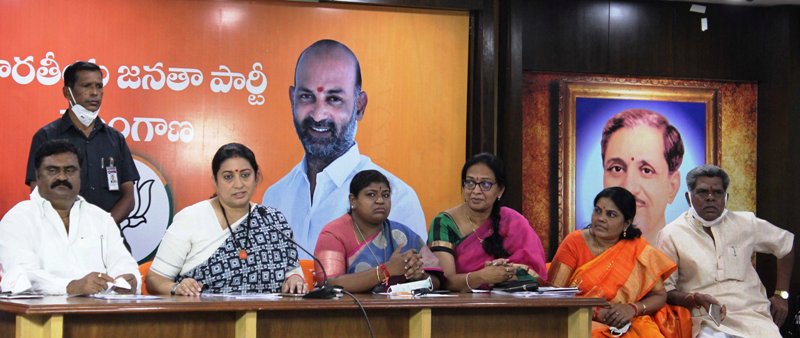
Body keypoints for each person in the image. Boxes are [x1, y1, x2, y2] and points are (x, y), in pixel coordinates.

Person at [263, 39, 426, 259]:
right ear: (292, 99)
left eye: (334, 99)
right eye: (307, 97)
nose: (318, 115)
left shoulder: (398, 199)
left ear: (360, 105)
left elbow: (413, 279)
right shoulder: (274, 197)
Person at [146, 143, 306, 295]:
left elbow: (292, 271)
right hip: (208, 313)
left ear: (256, 177)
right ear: (215, 181)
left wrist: (294, 279)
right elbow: (155, 280)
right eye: (228, 177)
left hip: (268, 313)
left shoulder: (273, 220)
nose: (239, 184)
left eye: (245, 175)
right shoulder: (191, 218)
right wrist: (177, 288)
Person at [659, 165, 795, 338]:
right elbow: (666, 291)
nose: (710, 198)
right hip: (705, 319)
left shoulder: (746, 223)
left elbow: (786, 245)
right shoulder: (671, 234)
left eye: (717, 192)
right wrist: (693, 299)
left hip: (753, 316)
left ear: (726, 197)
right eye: (702, 192)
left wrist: (781, 295)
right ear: (688, 197)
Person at [0, 140, 140, 295]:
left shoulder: (101, 218)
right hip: (42, 309)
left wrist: (128, 280)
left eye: (70, 170)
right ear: (38, 176)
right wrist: (70, 287)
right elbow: (21, 275)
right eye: (52, 170)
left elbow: (124, 263)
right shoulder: (18, 218)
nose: (62, 177)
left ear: (80, 175)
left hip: (100, 308)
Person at [549, 187, 689, 338]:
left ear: (626, 223)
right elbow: (552, 294)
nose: (601, 218)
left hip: (624, 321)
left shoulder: (638, 250)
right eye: (597, 211)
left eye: (611, 214)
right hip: (577, 318)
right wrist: (595, 312)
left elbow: (659, 295)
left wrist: (633, 309)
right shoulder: (574, 242)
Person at [25, 61, 139, 245]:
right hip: (61, 240)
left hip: (108, 239)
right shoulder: (47, 136)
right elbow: (38, 193)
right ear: (67, 92)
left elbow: (128, 197)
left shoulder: (115, 139)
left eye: (99, 86)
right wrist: (71, 229)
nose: (95, 93)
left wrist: (102, 228)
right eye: (87, 86)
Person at [428, 153, 547, 291]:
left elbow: (536, 275)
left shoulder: (513, 221)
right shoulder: (444, 223)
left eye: (485, 184)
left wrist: (506, 272)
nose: (476, 191)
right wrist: (482, 277)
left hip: (509, 301)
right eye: (470, 183)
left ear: (500, 190)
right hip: (459, 302)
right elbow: (445, 282)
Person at [313, 170, 442, 293]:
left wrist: (419, 276)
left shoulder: (402, 235)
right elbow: (329, 284)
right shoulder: (333, 235)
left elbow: (436, 282)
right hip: (349, 308)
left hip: (398, 307)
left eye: (385, 195)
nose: (380, 200)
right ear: (353, 200)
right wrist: (386, 270)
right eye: (371, 194)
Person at [601, 109, 684, 244]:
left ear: (672, 187)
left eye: (646, 170)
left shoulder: (687, 253)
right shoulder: (580, 249)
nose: (629, 188)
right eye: (617, 169)